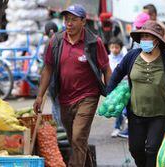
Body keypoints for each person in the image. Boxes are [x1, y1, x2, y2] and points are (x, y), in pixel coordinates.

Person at [33, 4, 112, 167]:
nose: (69, 23)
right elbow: (47, 69)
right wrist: (40, 96)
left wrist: (111, 94)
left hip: (88, 96)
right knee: (76, 141)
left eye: (73, 20)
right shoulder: (55, 41)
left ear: (83, 21)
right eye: (66, 19)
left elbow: (106, 68)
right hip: (64, 98)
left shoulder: (93, 42)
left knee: (78, 137)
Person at [107, 20, 165, 167]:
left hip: (160, 113)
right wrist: (111, 96)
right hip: (135, 113)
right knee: (135, 149)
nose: (145, 40)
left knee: (152, 149)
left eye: (149, 37)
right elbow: (117, 74)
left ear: (157, 40)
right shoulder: (131, 56)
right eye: (143, 37)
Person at [43, 21, 64, 128]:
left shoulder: (48, 43)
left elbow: (46, 67)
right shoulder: (63, 40)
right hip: (64, 79)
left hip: (53, 81)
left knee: (57, 106)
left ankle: (62, 132)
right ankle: (60, 131)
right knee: (58, 106)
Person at [108, 37, 128, 138]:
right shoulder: (108, 59)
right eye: (112, 47)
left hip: (125, 86)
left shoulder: (125, 58)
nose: (114, 49)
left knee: (124, 108)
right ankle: (118, 127)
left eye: (117, 47)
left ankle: (121, 127)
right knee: (117, 108)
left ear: (120, 48)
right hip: (114, 87)